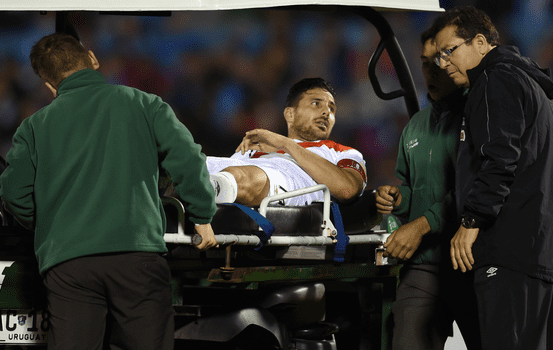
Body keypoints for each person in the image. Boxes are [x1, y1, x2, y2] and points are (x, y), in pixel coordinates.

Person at [0, 32, 218, 350]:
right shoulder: (145, 103)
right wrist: (201, 216)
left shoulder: (33, 127)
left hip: (68, 263)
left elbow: (13, 193)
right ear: (92, 59)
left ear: (49, 85)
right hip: (136, 255)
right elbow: (187, 158)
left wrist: (49, 222)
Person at [432, 6, 553, 349]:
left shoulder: (495, 80)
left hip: (507, 250)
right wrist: (552, 247)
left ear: (480, 42)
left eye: (449, 51)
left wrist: (471, 220)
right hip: (536, 253)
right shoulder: (533, 89)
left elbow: (499, 158)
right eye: (438, 57)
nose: (444, 63)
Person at [375, 25, 482, 350]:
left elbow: (476, 187)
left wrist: (423, 225)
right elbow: (410, 187)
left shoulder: (479, 115)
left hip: (473, 261)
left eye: (440, 58)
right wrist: (396, 197)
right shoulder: (415, 126)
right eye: (424, 61)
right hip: (423, 266)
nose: (432, 69)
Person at [204, 78, 367, 207]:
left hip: (283, 181)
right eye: (316, 104)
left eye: (332, 109)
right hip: (232, 176)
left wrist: (287, 145)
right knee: (191, 164)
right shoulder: (257, 146)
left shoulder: (342, 152)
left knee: (240, 177)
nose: (326, 112)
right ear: (290, 114)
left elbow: (348, 189)